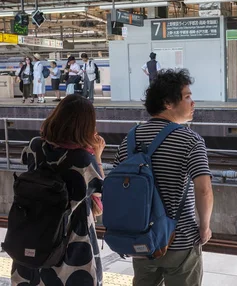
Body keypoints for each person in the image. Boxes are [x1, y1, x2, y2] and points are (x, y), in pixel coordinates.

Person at [113, 69, 213, 286]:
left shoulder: (130, 140)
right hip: (181, 240)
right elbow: (204, 189)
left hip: (141, 239)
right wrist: (204, 227)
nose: (192, 102)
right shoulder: (190, 140)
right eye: (187, 97)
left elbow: (116, 187)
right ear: (168, 103)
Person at [11, 95, 105, 285]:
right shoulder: (83, 161)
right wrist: (97, 155)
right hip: (70, 243)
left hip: (32, 234)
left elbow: (28, 161)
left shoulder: (34, 146)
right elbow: (99, 191)